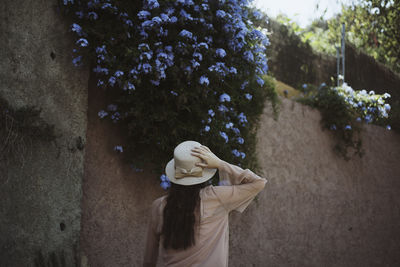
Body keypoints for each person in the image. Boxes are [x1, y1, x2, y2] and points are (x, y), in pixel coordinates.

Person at [143, 140, 268, 267]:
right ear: (204, 172)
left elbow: (148, 261)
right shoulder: (216, 197)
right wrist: (220, 163)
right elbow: (259, 182)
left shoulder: (158, 206)